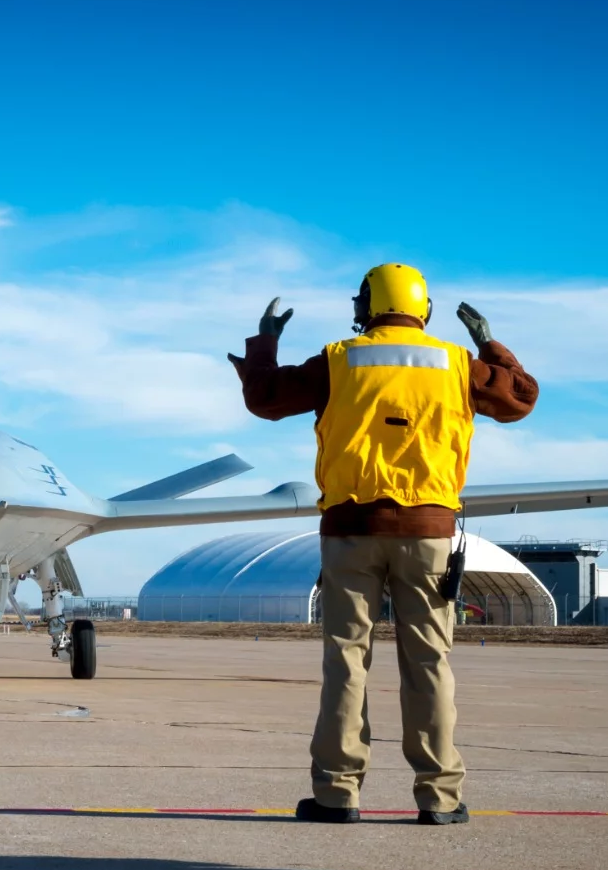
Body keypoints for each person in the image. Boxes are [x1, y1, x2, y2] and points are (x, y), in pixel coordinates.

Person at [230, 263, 537, 825]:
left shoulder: (339, 359)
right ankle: (440, 798)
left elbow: (266, 399)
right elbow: (520, 398)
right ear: (424, 309)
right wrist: (488, 342)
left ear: (365, 306)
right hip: (428, 533)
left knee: (346, 660)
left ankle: (336, 795)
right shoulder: (456, 364)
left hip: (350, 529)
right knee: (429, 663)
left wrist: (265, 342)